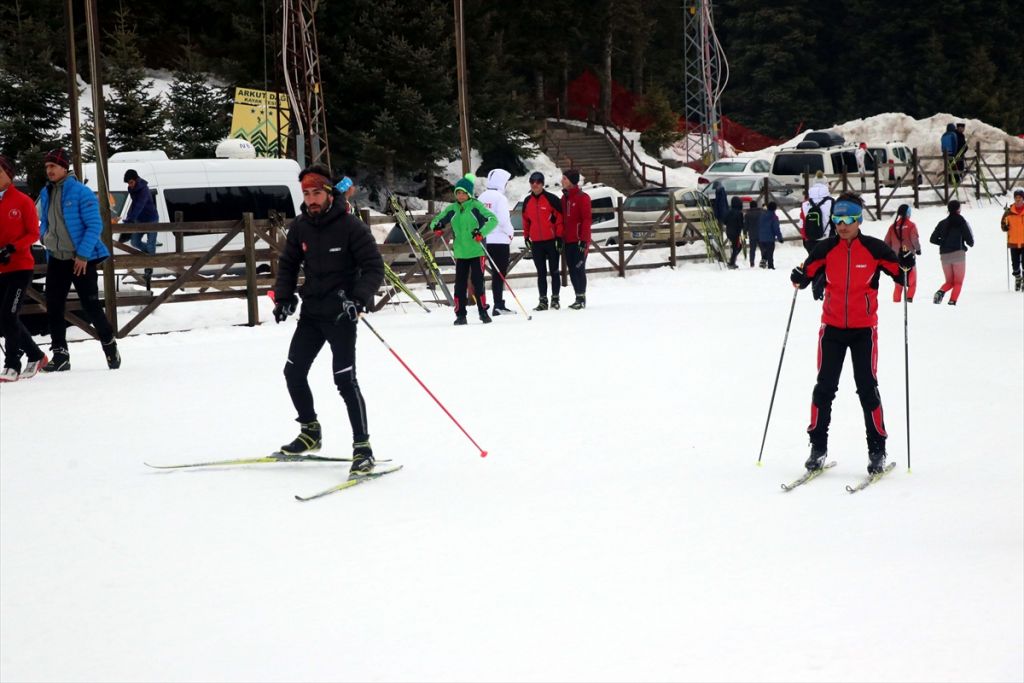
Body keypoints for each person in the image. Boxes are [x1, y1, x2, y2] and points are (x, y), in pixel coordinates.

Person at [271, 165, 385, 475]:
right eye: (306, 193)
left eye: (316, 192)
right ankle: (310, 432)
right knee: (293, 373)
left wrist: (359, 299)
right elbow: (288, 265)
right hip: (312, 313)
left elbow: (375, 267)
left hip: (341, 313)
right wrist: (283, 298)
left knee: (344, 380)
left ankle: (363, 447)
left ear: (330, 193)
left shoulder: (351, 227)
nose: (311, 199)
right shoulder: (300, 227)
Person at [790, 192, 913, 475]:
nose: (842, 225)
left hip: (863, 331)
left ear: (858, 220)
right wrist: (798, 278)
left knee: (867, 388)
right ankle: (817, 447)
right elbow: (805, 275)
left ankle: (877, 450)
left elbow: (900, 274)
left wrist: (907, 263)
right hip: (831, 329)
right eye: (837, 219)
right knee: (824, 388)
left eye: (848, 219)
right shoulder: (824, 249)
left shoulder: (874, 249)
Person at [37, 148, 120, 372]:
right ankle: (60, 353)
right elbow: (43, 219)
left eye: (53, 166)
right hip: (57, 257)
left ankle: (109, 343)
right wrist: (44, 236)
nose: (49, 170)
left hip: (81, 259)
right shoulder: (46, 192)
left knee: (90, 305)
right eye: (47, 167)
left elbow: (95, 226)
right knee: (53, 305)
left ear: (64, 167)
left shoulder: (81, 192)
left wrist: (82, 255)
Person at [0, 155, 47, 382]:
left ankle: (12, 365)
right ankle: (36, 355)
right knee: (5, 317)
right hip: (1, 268)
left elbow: (33, 233)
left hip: (20, 266)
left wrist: (12, 248)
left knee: (9, 315)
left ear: (9, 175)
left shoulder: (22, 201)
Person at [429, 175, 498, 325]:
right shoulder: (452, 209)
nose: (460, 196)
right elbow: (435, 221)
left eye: (463, 193)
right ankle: (460, 315)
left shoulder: (476, 206)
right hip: (461, 253)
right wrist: (437, 226)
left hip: (476, 251)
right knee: (459, 284)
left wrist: (481, 233)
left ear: (469, 194)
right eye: (458, 193)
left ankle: (483, 312)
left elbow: (493, 219)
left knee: (477, 282)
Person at [521, 171, 564, 311]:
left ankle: (555, 299)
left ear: (542, 184)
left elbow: (559, 220)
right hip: (537, 243)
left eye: (538, 182)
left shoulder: (552, 199)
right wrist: (526, 237)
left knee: (554, 271)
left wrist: (559, 237)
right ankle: (543, 301)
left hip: (551, 241)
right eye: (532, 181)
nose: (535, 184)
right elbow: (526, 221)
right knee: (541, 272)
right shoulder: (527, 201)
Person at [478, 168, 515, 315]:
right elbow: (504, 220)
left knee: (479, 273)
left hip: (484, 240)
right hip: (500, 240)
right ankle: (498, 304)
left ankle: (483, 304)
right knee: (499, 274)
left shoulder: (481, 197)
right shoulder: (500, 198)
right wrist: (510, 233)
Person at [929, 199, 974, 305]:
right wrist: (967, 245)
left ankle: (940, 292)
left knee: (949, 281)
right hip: (958, 254)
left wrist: (944, 243)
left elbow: (932, 239)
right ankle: (952, 301)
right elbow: (970, 240)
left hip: (944, 255)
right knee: (958, 282)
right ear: (959, 209)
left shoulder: (942, 223)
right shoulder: (962, 221)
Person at [561, 168, 591, 309]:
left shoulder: (583, 197)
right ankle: (577, 296)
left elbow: (586, 220)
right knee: (571, 269)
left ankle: (582, 297)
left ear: (572, 181)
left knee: (579, 268)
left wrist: (584, 240)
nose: (562, 181)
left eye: (565, 178)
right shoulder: (564, 198)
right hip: (568, 241)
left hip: (580, 240)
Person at [883, 204, 921, 302]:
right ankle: (909, 300)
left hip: (896, 259)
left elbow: (886, 242)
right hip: (909, 259)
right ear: (908, 213)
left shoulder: (892, 227)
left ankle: (896, 304)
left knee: (898, 285)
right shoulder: (911, 225)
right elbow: (914, 239)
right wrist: (918, 249)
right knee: (912, 283)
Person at [1001, 189, 1024, 291]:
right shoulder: (1009, 212)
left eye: (1020, 198)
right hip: (1013, 242)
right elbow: (1003, 226)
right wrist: (1005, 226)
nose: (1018, 200)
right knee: (1015, 264)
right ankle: (1018, 277)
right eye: (1016, 198)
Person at [757, 201, 783, 269]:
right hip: (770, 238)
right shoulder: (774, 217)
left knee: (764, 250)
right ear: (775, 208)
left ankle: (763, 262)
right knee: (770, 252)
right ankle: (770, 266)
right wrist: (780, 238)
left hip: (761, 237)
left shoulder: (762, 215)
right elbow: (776, 228)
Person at [724, 196, 744, 269]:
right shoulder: (739, 213)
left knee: (736, 246)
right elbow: (741, 224)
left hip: (728, 231)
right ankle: (732, 262)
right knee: (737, 247)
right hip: (736, 232)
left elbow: (725, 221)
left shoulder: (728, 212)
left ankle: (732, 260)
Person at [744, 200, 763, 268]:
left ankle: (752, 262)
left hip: (752, 234)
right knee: (762, 248)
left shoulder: (747, 214)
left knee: (752, 249)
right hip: (761, 233)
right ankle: (763, 261)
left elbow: (746, 225)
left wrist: (745, 232)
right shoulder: (761, 213)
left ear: (750, 206)